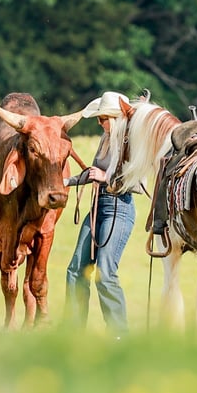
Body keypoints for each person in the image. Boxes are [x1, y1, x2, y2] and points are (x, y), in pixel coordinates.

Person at [63, 91, 137, 337]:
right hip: (98, 207)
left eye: (103, 118)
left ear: (116, 118)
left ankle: (119, 335)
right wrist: (67, 181)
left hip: (119, 207)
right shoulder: (105, 140)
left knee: (105, 272)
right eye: (99, 119)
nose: (100, 123)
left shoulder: (131, 144)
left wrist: (105, 178)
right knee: (76, 268)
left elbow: (139, 183)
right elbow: (93, 172)